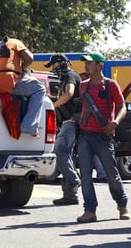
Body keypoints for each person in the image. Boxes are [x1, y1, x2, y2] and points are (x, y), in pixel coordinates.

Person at [76, 52, 130, 223]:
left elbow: (123, 107)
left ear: (99, 65)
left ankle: (122, 205)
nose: (86, 66)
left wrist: (115, 122)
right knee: (85, 175)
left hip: (104, 136)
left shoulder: (111, 85)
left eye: (90, 63)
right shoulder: (82, 85)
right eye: (85, 63)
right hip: (85, 136)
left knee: (111, 174)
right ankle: (90, 211)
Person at [44, 54, 81, 205]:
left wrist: (54, 105)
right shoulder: (64, 78)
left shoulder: (70, 76)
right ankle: (70, 196)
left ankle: (73, 180)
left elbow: (69, 93)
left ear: (61, 63)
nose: (53, 69)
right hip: (68, 121)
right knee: (68, 156)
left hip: (71, 121)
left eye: (53, 65)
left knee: (59, 151)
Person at [0, 36, 45, 137]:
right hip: (11, 81)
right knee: (40, 88)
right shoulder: (15, 42)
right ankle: (29, 126)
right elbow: (29, 59)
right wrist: (23, 67)